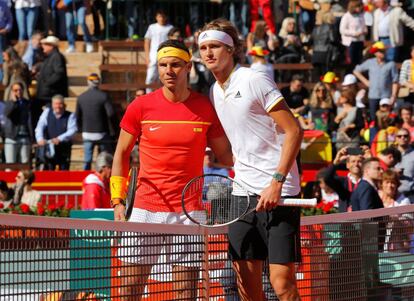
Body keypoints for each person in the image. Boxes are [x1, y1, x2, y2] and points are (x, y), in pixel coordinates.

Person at [110, 39, 232, 300]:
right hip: (145, 209)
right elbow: (121, 153)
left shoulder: (205, 108)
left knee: (184, 293)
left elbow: (227, 156)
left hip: (188, 211)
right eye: (163, 65)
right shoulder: (140, 106)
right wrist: (117, 200)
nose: (169, 70)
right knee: (128, 291)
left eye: (176, 64)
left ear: (188, 66)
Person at [199, 19, 303, 301]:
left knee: (282, 284)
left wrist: (277, 182)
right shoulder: (214, 91)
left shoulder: (254, 79)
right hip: (241, 194)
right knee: (247, 285)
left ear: (231, 49)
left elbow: (294, 130)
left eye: (215, 46)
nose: (208, 53)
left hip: (279, 192)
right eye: (203, 47)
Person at [75, 73, 116, 170]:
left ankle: (85, 178)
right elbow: (111, 113)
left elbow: (77, 116)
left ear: (88, 82)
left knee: (87, 159)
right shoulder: (103, 96)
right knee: (103, 158)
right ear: (99, 83)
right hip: (102, 133)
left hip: (87, 133)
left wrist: (80, 129)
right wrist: (114, 130)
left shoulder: (81, 97)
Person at [353, 41, 399, 122]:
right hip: (373, 95)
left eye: (383, 51)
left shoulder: (391, 64)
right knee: (373, 118)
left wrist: (394, 95)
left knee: (387, 118)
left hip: (386, 95)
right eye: (380, 51)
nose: (383, 53)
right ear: (375, 53)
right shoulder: (370, 62)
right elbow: (356, 71)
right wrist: (366, 82)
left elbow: (395, 81)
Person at [35, 94, 77, 170]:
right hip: (49, 147)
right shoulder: (47, 112)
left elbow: (72, 130)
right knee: (49, 170)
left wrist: (59, 139)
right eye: (55, 104)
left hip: (64, 148)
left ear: (64, 105)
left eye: (60, 104)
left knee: (64, 170)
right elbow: (40, 126)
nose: (58, 106)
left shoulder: (70, 115)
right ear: (52, 104)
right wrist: (40, 138)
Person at [321, 146, 363, 212]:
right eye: (353, 161)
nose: (356, 164)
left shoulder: (367, 182)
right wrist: (335, 163)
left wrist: (371, 158)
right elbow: (327, 178)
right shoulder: (342, 182)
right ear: (347, 165)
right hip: (345, 219)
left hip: (363, 219)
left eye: (359, 161)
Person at [3, 82, 34, 164]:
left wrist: (32, 137)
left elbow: (30, 120)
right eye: (15, 90)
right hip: (12, 137)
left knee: (24, 163)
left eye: (20, 90)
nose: (18, 92)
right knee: (10, 163)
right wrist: (14, 102)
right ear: (12, 92)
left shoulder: (27, 103)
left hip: (25, 137)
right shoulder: (8, 103)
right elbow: (7, 114)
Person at [144, 10, 173, 92]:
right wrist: (147, 57)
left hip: (165, 55)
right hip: (153, 56)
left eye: (163, 16)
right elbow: (147, 42)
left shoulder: (170, 28)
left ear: (166, 17)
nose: (161, 18)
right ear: (156, 17)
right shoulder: (152, 27)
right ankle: (148, 96)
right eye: (160, 16)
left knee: (163, 77)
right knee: (150, 78)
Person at [36, 36, 68, 107]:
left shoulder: (56, 57)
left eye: (45, 44)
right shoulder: (50, 57)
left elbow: (59, 73)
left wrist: (47, 83)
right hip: (47, 94)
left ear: (51, 46)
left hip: (50, 95)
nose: (43, 46)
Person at [339, 0, 367, 69]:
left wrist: (364, 30)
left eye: (360, 6)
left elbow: (363, 26)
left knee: (359, 60)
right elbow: (342, 30)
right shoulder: (347, 16)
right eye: (357, 7)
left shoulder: (361, 15)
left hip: (359, 41)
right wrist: (354, 33)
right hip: (350, 42)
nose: (359, 8)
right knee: (351, 61)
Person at [0, 0, 13, 82]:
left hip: (1, 34)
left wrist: (6, 29)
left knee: (1, 57)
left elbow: (10, 20)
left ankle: (1, 79)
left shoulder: (4, 4)